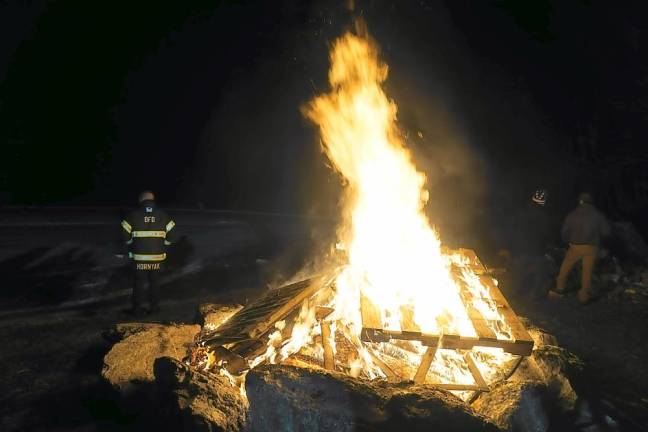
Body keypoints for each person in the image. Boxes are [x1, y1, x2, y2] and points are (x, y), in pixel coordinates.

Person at [121, 191, 177, 315]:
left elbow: (124, 235)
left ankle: (137, 310)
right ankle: (154, 309)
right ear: (153, 200)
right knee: (155, 284)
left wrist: (131, 246)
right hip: (157, 258)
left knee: (138, 284)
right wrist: (164, 246)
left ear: (141, 201)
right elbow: (172, 235)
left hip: (139, 258)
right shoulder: (163, 215)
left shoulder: (132, 215)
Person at [551, 192, 610, 304]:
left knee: (565, 267)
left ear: (580, 202)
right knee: (587, 273)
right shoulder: (597, 215)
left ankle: (560, 288)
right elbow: (606, 232)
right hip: (590, 247)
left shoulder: (573, 214)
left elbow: (564, 231)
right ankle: (583, 297)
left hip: (575, 247)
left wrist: (565, 241)